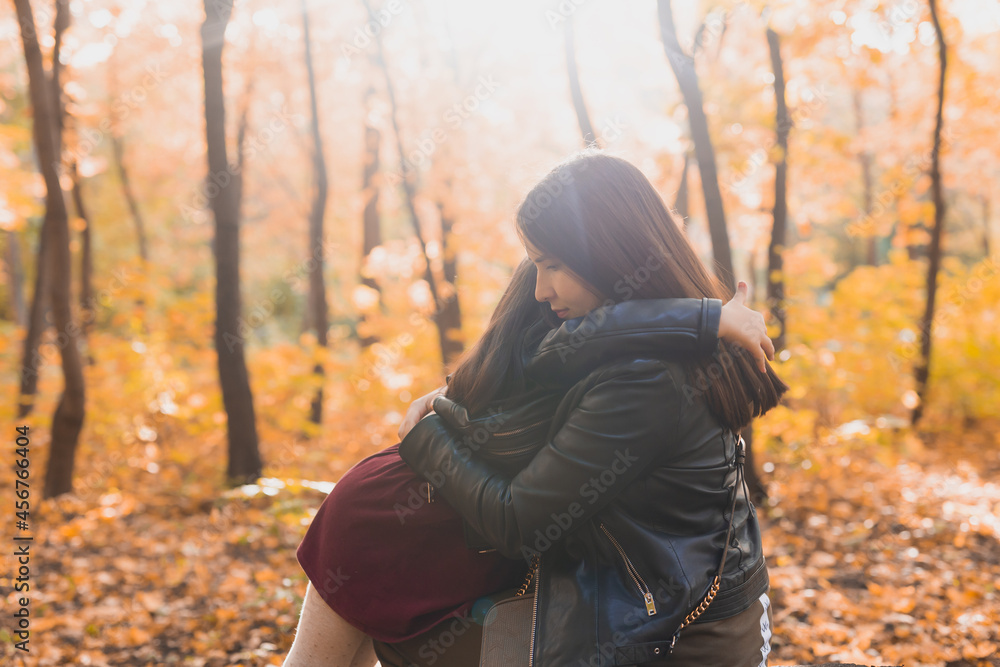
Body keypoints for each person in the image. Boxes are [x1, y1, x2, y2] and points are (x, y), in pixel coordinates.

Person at [282, 167, 776, 665]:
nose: (541, 290)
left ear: (607, 252)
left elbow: (517, 523)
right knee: (382, 599)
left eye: (554, 265)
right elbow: (551, 356)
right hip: (657, 605)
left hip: (671, 637)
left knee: (390, 621)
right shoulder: (660, 336)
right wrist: (704, 317)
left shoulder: (645, 379)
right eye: (536, 265)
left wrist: (426, 437)